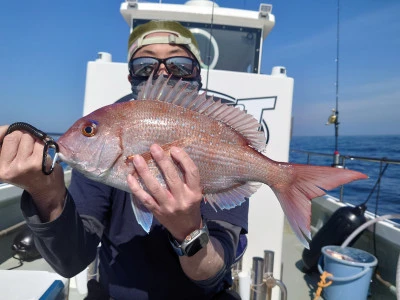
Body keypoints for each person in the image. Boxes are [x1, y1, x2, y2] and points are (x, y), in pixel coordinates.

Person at [0, 20, 248, 299]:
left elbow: (213, 272)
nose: (162, 73)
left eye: (179, 64)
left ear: (197, 74)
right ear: (131, 77)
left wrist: (188, 231)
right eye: (145, 65)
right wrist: (46, 192)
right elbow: (71, 261)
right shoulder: (105, 137)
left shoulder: (217, 134)